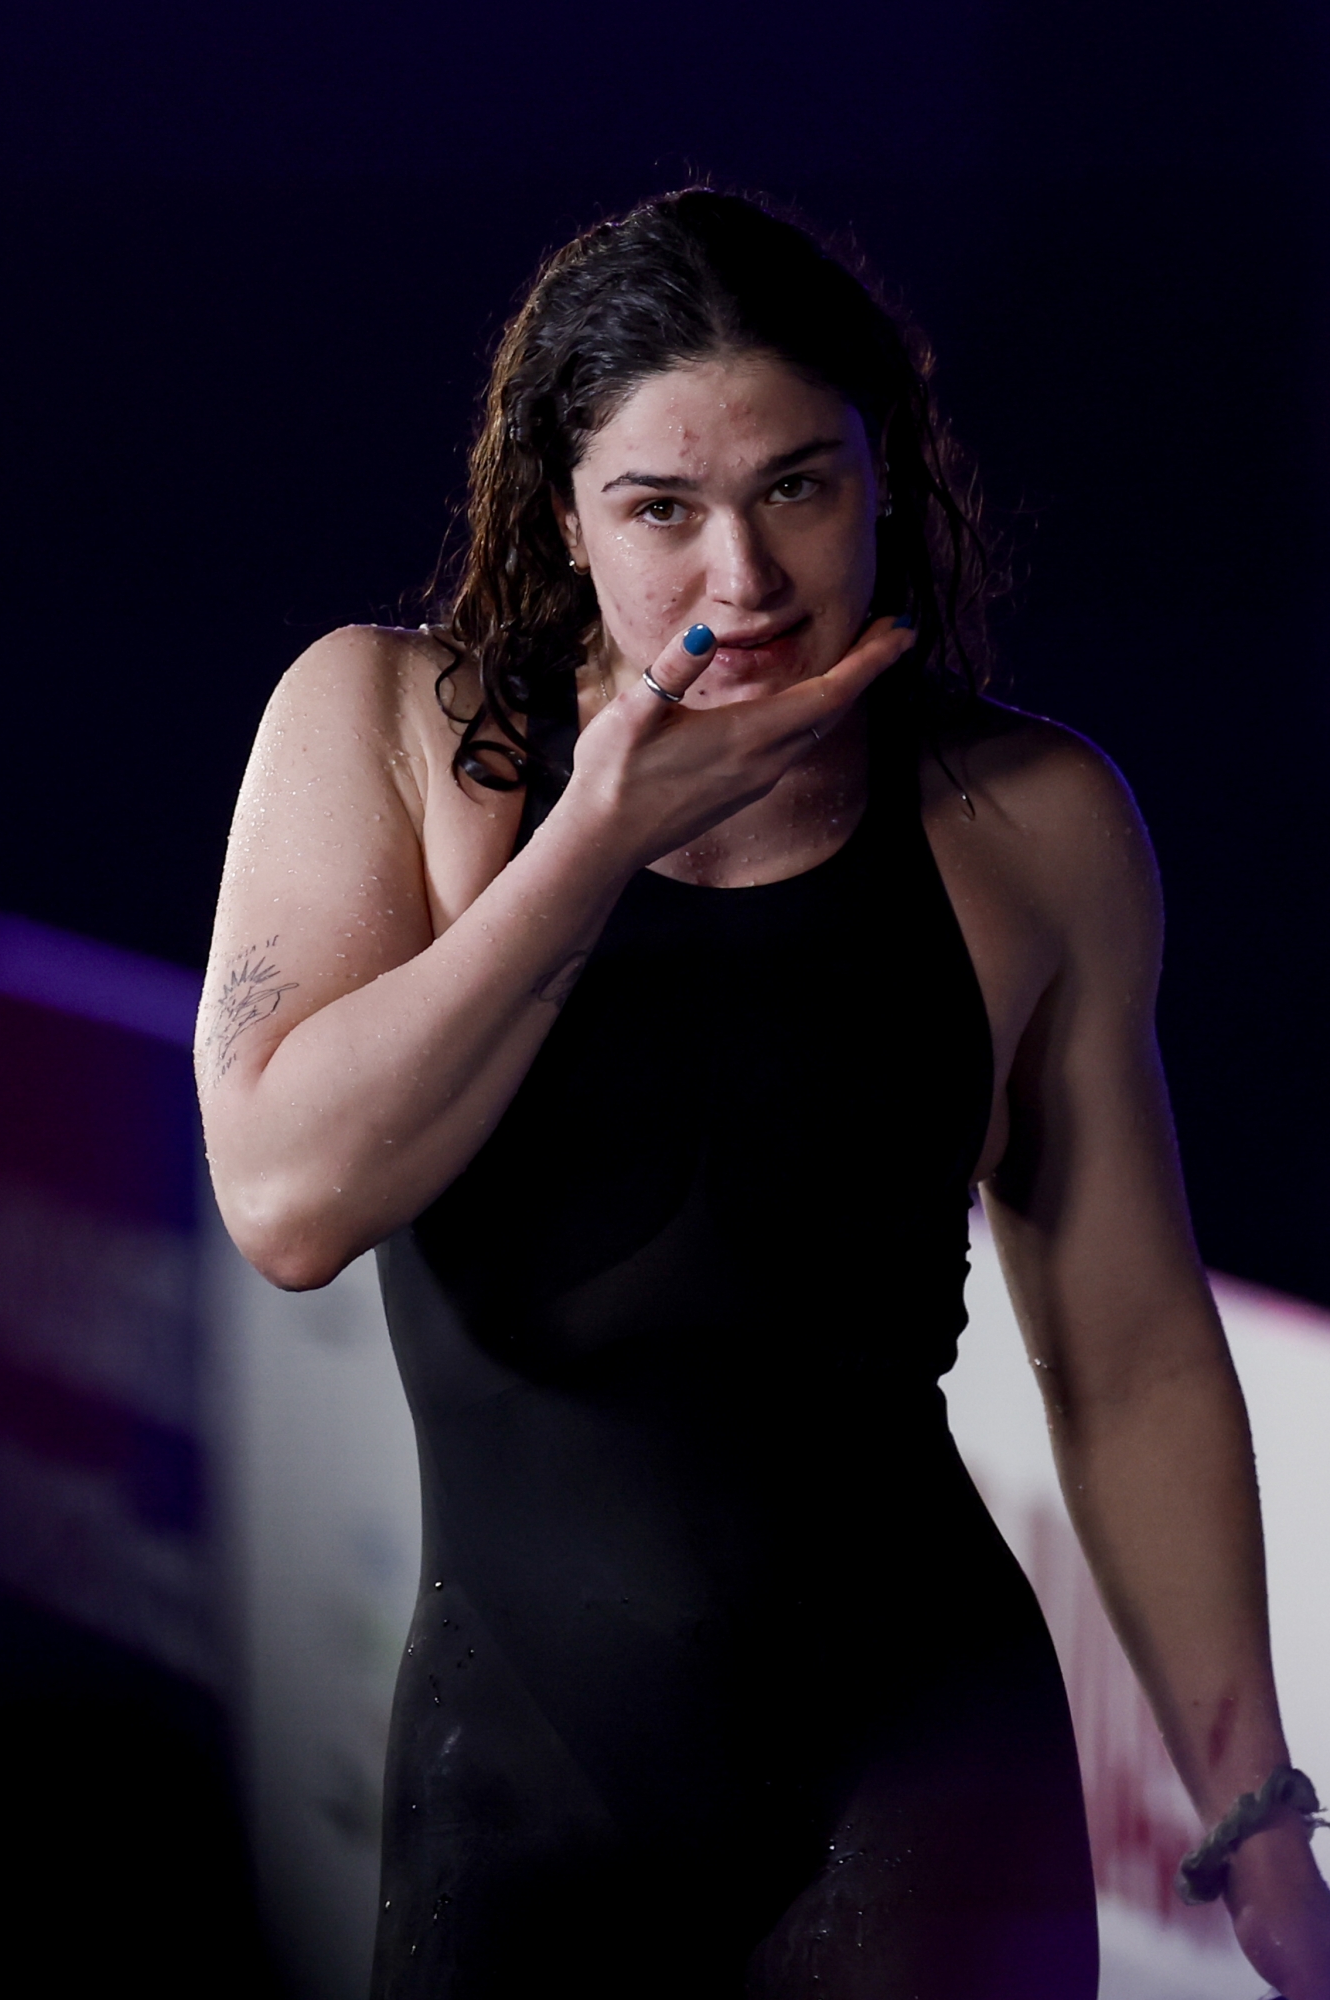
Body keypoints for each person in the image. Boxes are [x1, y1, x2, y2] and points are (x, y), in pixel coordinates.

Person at [197, 190, 1330, 1998]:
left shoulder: (1022, 821)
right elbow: (287, 1201)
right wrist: (596, 841)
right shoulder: (398, 733)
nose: (744, 577)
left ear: (886, 474)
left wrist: (1252, 1809)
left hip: (928, 1775)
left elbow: (1122, 1351)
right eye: (662, 509)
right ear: (561, 521)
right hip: (526, 1794)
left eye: (797, 486)